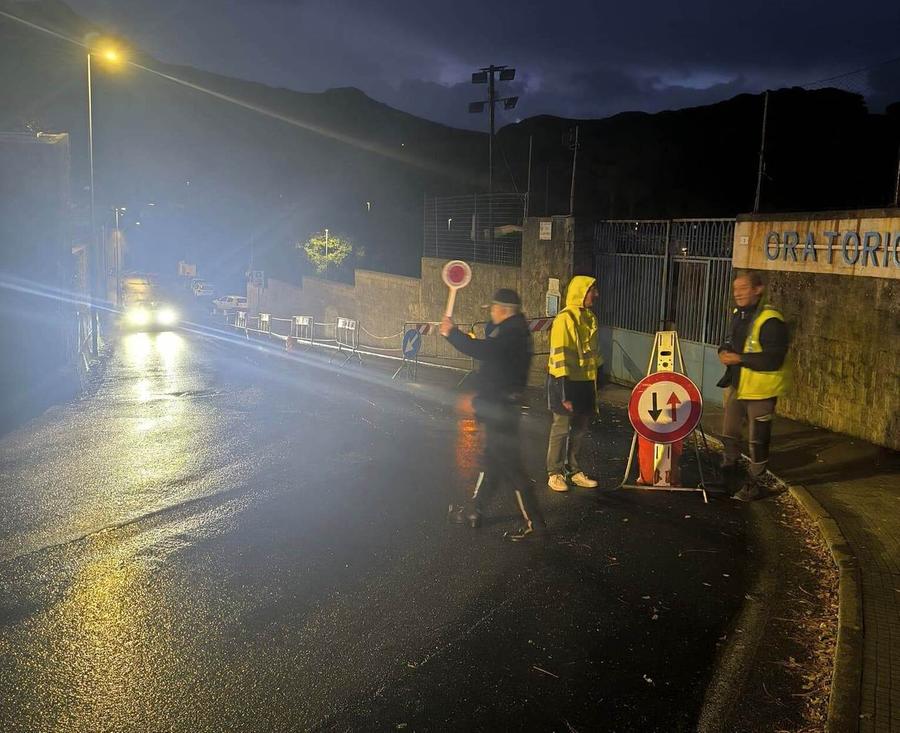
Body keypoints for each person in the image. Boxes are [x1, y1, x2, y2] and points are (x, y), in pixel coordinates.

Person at [440, 288, 547, 541]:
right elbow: (491, 344)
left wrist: (452, 334)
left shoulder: (513, 334)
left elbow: (486, 350)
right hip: (499, 407)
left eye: (493, 308)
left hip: (502, 409)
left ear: (504, 310)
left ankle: (536, 525)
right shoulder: (512, 330)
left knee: (512, 467)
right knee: (491, 462)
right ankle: (474, 511)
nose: (490, 311)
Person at [717, 271, 791, 501]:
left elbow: (773, 359)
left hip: (762, 390)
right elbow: (730, 340)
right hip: (739, 385)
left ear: (758, 289)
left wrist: (738, 359)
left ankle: (755, 483)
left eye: (743, 288)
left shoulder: (771, 320)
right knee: (729, 433)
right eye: (735, 288)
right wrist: (723, 350)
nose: (737, 293)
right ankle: (729, 476)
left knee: (758, 440)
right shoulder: (739, 313)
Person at [546, 276, 601, 493]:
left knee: (579, 430)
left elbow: (594, 354)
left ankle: (573, 470)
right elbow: (559, 358)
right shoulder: (564, 319)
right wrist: (563, 394)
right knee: (561, 429)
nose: (596, 295)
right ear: (581, 292)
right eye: (592, 290)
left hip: (585, 383)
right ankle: (554, 473)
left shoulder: (589, 318)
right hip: (565, 383)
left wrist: (599, 379)